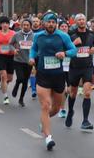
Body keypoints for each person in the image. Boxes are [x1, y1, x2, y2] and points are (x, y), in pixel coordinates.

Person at [29, 11, 77, 150]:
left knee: (55, 108)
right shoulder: (38, 36)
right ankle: (48, 138)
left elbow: (74, 50)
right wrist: (32, 58)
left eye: (53, 22)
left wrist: (65, 53)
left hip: (58, 75)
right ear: (44, 23)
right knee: (45, 105)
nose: (51, 24)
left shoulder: (63, 36)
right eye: (49, 22)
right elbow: (33, 49)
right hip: (43, 74)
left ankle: (44, 123)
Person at [67, 13, 94, 131]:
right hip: (74, 66)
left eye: (83, 19)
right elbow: (65, 47)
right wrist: (72, 44)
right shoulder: (71, 34)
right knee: (73, 93)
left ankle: (85, 120)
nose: (81, 21)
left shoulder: (91, 34)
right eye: (79, 20)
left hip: (87, 66)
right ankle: (70, 111)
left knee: (87, 93)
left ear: (86, 21)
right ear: (75, 22)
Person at [10, 18, 35, 107]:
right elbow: (10, 44)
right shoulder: (16, 34)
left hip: (28, 62)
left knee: (25, 81)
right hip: (18, 60)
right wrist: (14, 50)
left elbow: (37, 47)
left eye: (27, 25)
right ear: (21, 26)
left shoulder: (34, 36)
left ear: (30, 26)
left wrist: (34, 58)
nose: (25, 27)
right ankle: (16, 85)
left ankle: (21, 98)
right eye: (24, 25)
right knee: (20, 78)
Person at [0, 16, 16, 105]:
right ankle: (5, 96)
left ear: (9, 24)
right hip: (1, 56)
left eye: (7, 23)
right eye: (3, 23)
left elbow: (17, 44)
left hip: (11, 57)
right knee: (3, 76)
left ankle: (4, 84)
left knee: (9, 78)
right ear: (1, 24)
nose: (5, 25)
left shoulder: (13, 33)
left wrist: (14, 49)